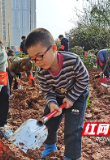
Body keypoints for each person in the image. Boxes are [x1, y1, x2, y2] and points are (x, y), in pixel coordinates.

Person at [25, 28, 89, 160]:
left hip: (77, 95)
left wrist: (71, 97)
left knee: (72, 129)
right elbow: (47, 91)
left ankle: (71, 157)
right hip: (57, 96)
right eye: (33, 59)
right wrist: (52, 103)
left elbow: (84, 79)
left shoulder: (73, 61)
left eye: (40, 56)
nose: (37, 62)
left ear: (54, 48)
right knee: (49, 124)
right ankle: (50, 148)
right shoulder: (41, 73)